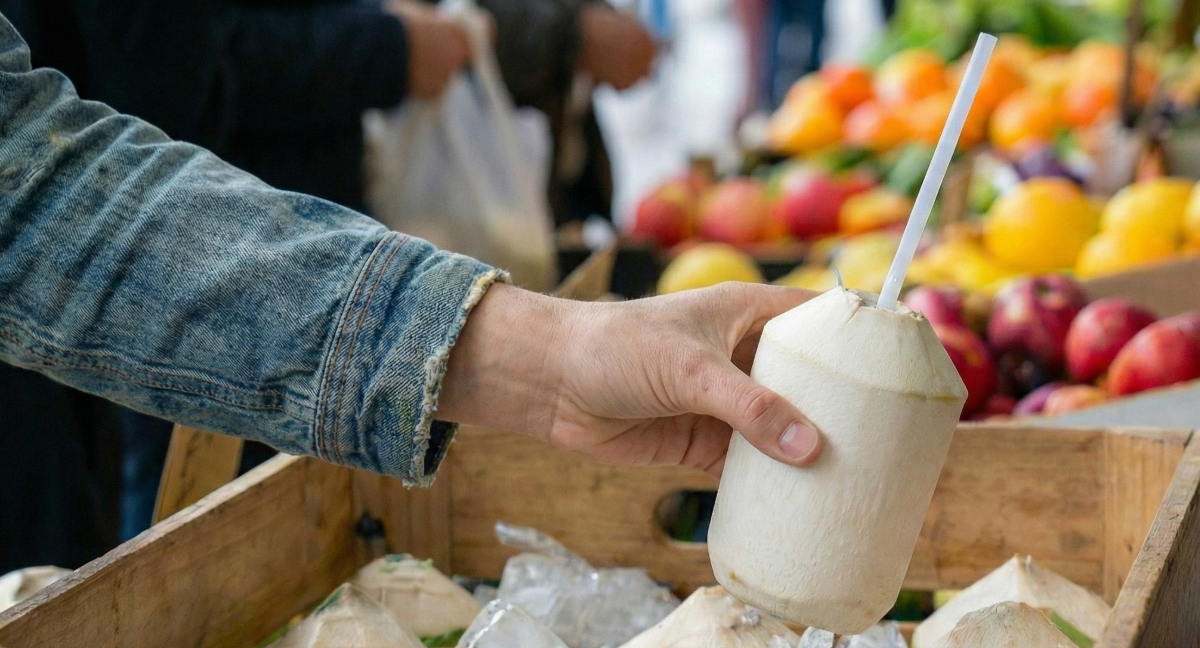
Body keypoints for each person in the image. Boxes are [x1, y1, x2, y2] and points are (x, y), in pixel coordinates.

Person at [0, 7, 821, 532]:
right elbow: (59, 179)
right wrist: (390, 47)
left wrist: (553, 363)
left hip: (295, 273)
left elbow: (36, 187)